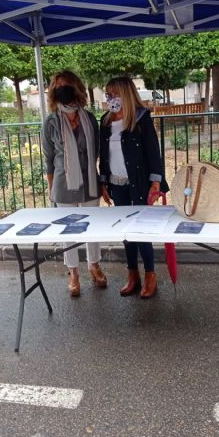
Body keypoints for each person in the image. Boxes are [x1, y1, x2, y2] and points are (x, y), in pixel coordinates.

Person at [99, 76, 169, 299]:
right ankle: (132, 274)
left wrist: (155, 183)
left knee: (140, 230)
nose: (111, 98)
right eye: (108, 94)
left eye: (114, 94)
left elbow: (153, 153)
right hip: (117, 183)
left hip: (139, 183)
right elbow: (104, 155)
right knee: (125, 231)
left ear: (125, 95)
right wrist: (103, 182)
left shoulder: (141, 119)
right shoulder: (105, 121)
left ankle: (150, 274)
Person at [41, 70, 107, 297]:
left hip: (89, 181)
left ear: (76, 87)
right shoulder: (50, 121)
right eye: (58, 86)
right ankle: (73, 273)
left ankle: (94, 265)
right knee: (67, 230)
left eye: (67, 85)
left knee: (92, 227)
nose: (62, 89)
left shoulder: (88, 118)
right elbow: (49, 159)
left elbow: (96, 151)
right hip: (63, 183)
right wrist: (51, 188)